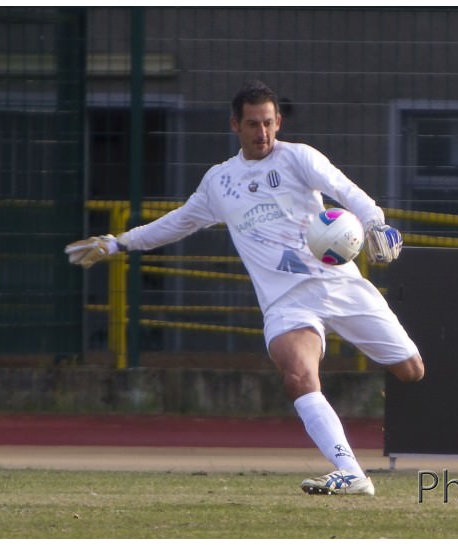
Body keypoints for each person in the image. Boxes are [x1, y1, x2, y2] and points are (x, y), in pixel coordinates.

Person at [65, 80, 424, 496]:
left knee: (411, 371)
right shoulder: (220, 182)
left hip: (339, 283)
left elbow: (346, 191)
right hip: (286, 302)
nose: (262, 133)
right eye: (253, 124)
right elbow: (177, 223)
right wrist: (118, 242)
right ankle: (350, 472)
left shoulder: (299, 158)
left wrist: (376, 223)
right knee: (297, 376)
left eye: (269, 123)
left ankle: (359, 449)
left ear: (279, 122)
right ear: (235, 125)